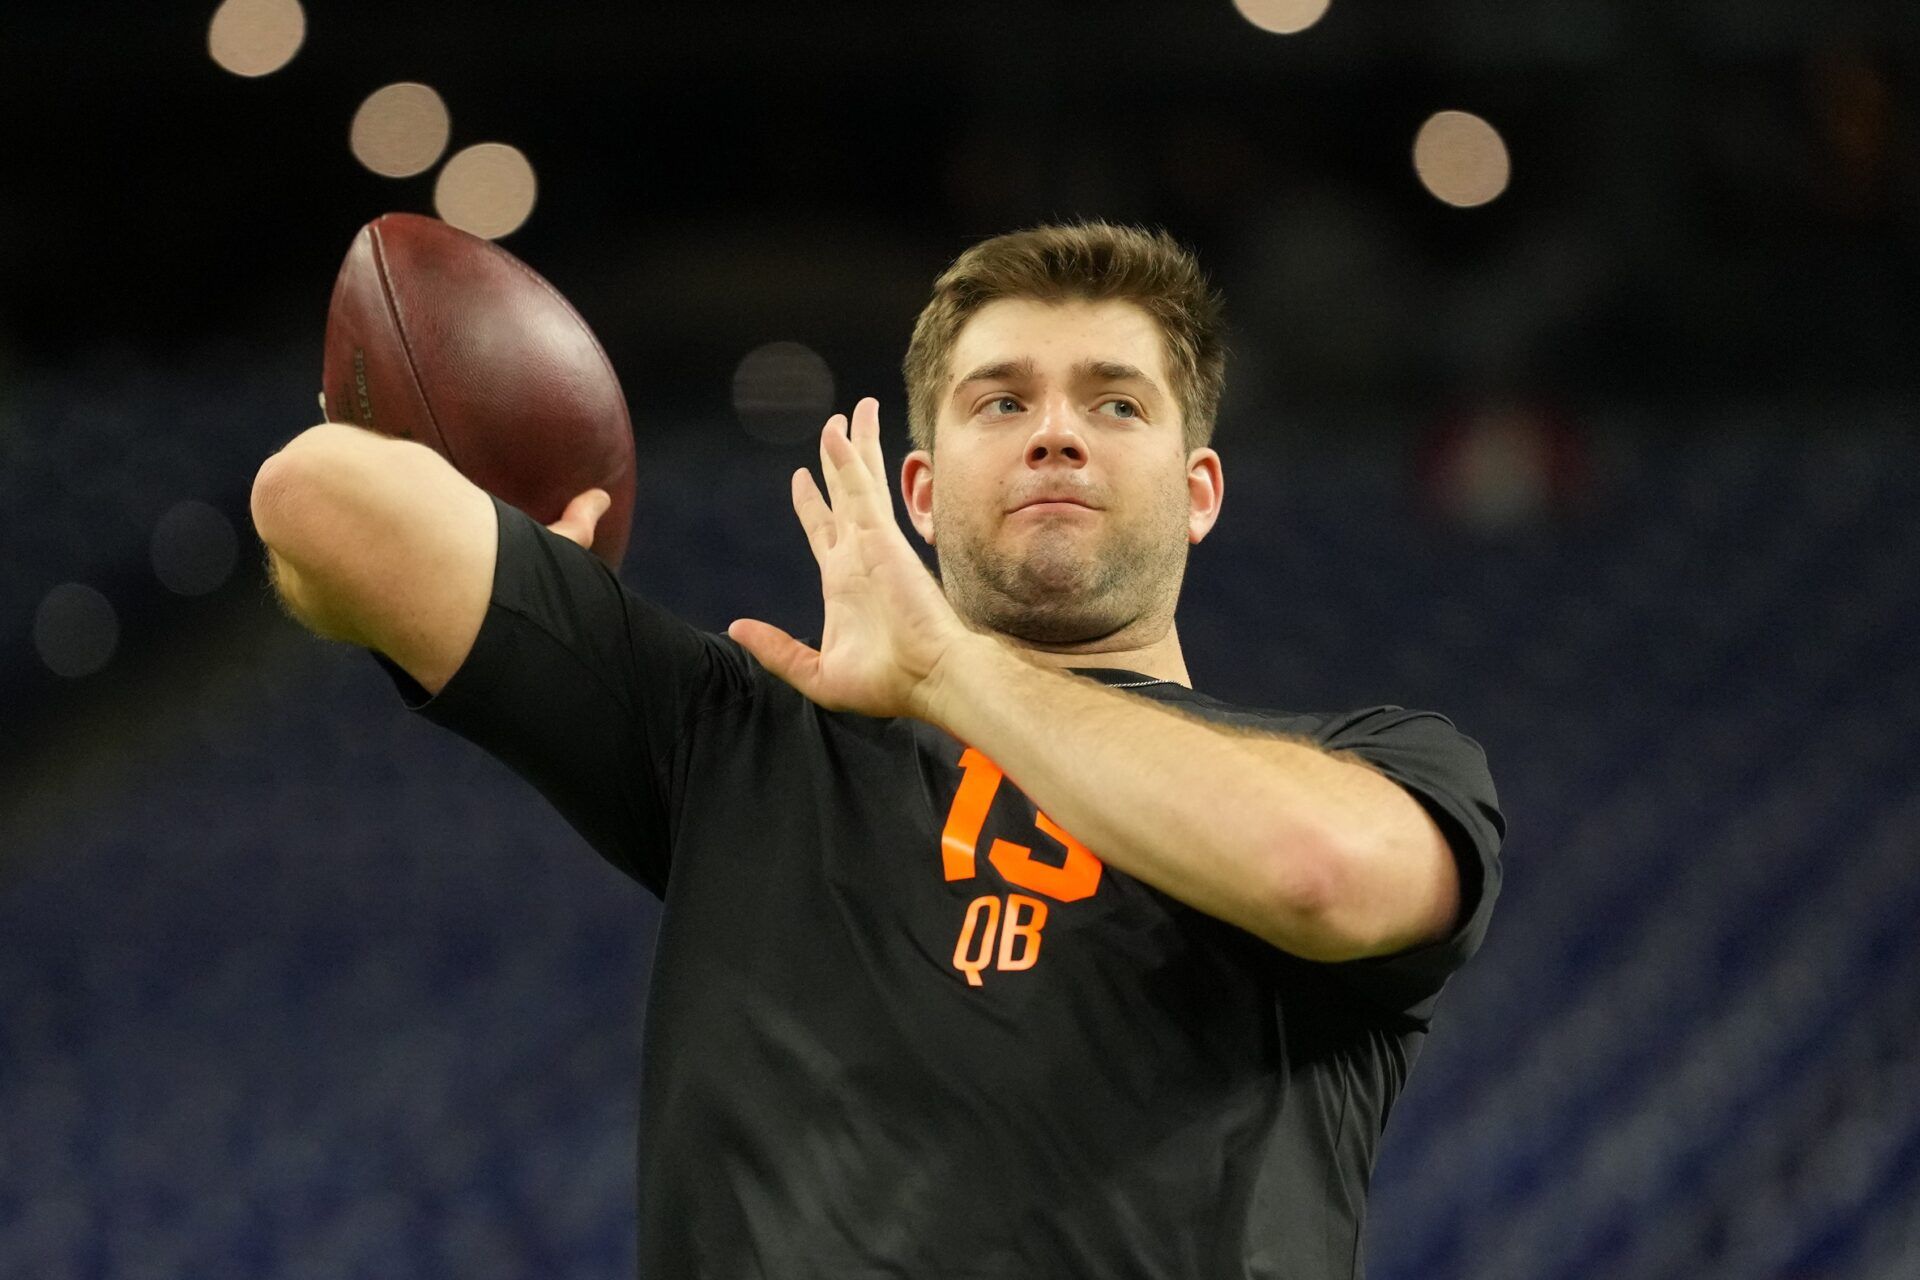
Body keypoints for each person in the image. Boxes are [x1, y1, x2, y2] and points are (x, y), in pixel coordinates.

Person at [251, 220, 1505, 1279]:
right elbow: (319, 498)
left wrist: (948, 670)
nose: (1055, 434)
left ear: (1198, 489)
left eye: (1115, 403)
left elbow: (1318, 870)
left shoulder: (1378, 760)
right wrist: (523, 555)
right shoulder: (741, 741)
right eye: (1001, 399)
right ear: (917, 486)